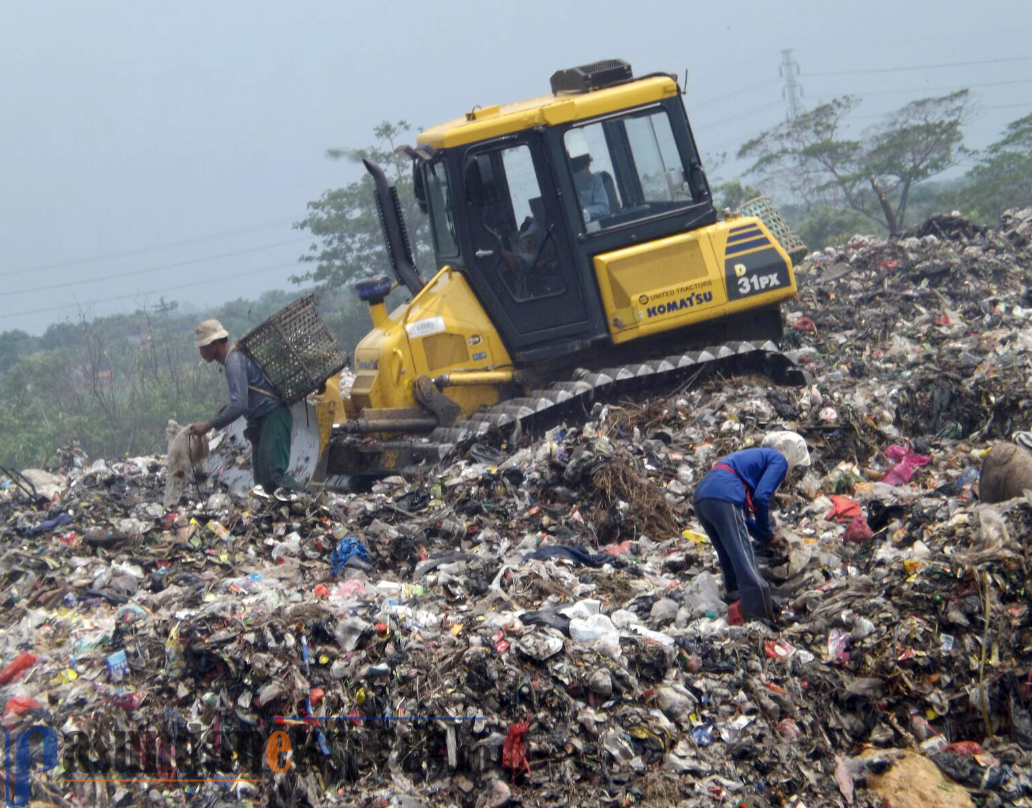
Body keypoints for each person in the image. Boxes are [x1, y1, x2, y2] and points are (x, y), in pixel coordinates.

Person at [692, 431, 811, 623]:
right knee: (744, 557)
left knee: (728, 551)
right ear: (792, 454)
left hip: (702, 498)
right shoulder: (778, 459)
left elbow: (743, 521)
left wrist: (766, 538)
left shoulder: (751, 464)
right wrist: (767, 532)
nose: (791, 473)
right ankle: (759, 613)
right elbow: (761, 498)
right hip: (724, 494)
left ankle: (734, 596)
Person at [188, 319, 302, 492]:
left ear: (215, 344)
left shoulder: (233, 360)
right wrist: (227, 407)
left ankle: (308, 498)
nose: (201, 352)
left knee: (274, 476)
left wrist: (209, 425)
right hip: (261, 420)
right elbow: (247, 394)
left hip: (273, 416)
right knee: (262, 481)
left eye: (203, 347)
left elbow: (240, 404)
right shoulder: (231, 360)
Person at [571, 154, 610, 222]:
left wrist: (585, 213)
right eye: (584, 170)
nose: (589, 173)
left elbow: (604, 208)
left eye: (588, 168)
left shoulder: (594, 180)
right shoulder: (567, 188)